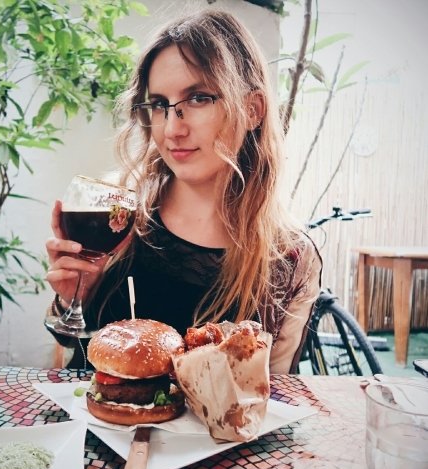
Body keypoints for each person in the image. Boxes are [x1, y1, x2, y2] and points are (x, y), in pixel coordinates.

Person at [45, 9, 322, 373]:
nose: (173, 129)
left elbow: (272, 389)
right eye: (160, 104)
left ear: (253, 110)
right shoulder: (118, 213)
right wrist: (75, 299)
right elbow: (71, 353)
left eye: (198, 98)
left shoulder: (290, 258)